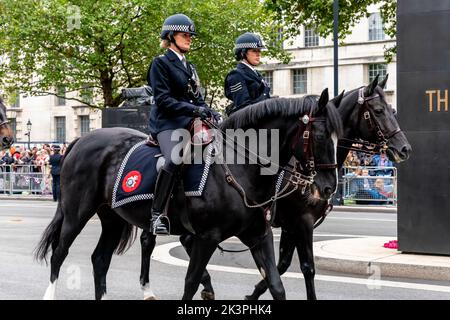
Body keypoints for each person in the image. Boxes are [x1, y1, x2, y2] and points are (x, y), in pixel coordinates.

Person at [147, 13, 219, 235]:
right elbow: (164, 100)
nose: (189, 39)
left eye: (190, 35)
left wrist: (209, 111)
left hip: (189, 121)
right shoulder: (160, 63)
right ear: (171, 36)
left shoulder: (190, 66)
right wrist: (195, 110)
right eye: (185, 35)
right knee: (174, 158)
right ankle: (156, 215)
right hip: (167, 123)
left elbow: (196, 97)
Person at [224, 32, 271, 116]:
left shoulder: (256, 74)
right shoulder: (236, 75)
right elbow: (243, 108)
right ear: (243, 53)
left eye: (259, 50)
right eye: (254, 51)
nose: (258, 54)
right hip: (248, 125)